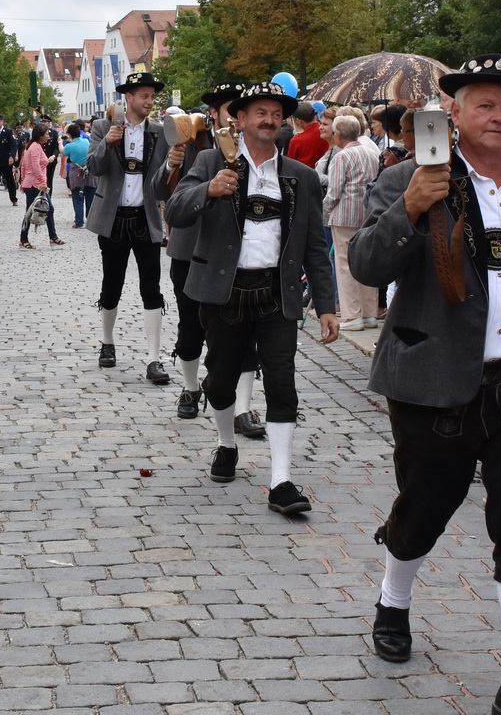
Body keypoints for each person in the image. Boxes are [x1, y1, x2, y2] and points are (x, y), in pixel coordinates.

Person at [346, 54, 501, 715]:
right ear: (454, 110)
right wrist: (412, 209)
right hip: (435, 383)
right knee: (423, 509)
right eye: (486, 104)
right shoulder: (410, 178)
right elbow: (365, 262)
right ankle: (394, 597)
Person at [167, 82, 338, 514]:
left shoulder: (300, 176)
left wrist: (328, 305)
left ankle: (281, 480)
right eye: (259, 112)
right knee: (221, 379)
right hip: (224, 291)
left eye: (276, 113)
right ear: (238, 119)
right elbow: (174, 210)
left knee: (283, 382)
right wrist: (207, 190)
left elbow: (315, 246)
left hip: (276, 293)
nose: (269, 119)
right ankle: (226, 444)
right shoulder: (210, 161)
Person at [155, 83, 242, 419]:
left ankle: (243, 406)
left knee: (239, 332)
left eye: (240, 111)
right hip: (190, 248)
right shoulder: (191, 142)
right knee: (190, 326)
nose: (236, 118)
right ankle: (191, 388)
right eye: (230, 110)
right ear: (214, 114)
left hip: (236, 252)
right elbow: (161, 192)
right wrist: (169, 165)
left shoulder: (258, 147)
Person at [87, 72, 170, 385]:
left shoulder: (160, 133)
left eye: (151, 96)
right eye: (144, 96)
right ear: (129, 98)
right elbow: (94, 168)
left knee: (152, 287)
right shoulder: (102, 127)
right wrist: (108, 144)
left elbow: (164, 183)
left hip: (145, 218)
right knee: (112, 284)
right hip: (113, 218)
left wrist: (173, 165)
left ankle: (153, 358)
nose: (149, 102)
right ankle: (107, 342)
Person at [325, 114, 383, 330]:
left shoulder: (341, 157)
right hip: (368, 214)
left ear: (338, 135)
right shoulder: (371, 153)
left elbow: (334, 192)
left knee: (345, 264)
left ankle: (352, 315)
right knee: (366, 262)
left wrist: (325, 210)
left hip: (345, 215)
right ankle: (369, 313)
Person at [18, 124, 61, 249]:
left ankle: (52, 236)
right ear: (41, 135)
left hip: (32, 183)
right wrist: (42, 182)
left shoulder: (32, 146)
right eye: (46, 133)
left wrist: (23, 181)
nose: (48, 135)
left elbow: (26, 166)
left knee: (46, 210)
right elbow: (35, 166)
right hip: (35, 184)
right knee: (31, 212)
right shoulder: (35, 147)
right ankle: (24, 239)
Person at [61, 123, 92, 228]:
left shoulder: (69, 146)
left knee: (77, 197)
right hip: (89, 171)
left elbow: (63, 151)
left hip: (76, 172)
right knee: (90, 196)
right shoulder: (86, 141)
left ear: (69, 134)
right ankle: (91, 219)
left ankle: (79, 222)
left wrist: (60, 142)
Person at [286, 102, 328, 167]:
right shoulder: (327, 132)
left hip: (303, 175)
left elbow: (290, 165)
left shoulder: (296, 141)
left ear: (298, 120)